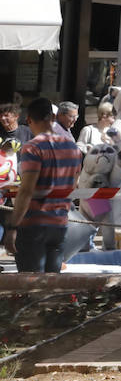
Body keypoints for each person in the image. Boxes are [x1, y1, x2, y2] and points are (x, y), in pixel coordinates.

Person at [3, 98, 83, 272]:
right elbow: (73, 187)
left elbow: (26, 191)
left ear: (29, 120)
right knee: (49, 286)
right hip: (60, 225)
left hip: (33, 225)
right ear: (53, 118)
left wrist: (12, 227)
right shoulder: (74, 149)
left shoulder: (33, 148)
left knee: (31, 284)